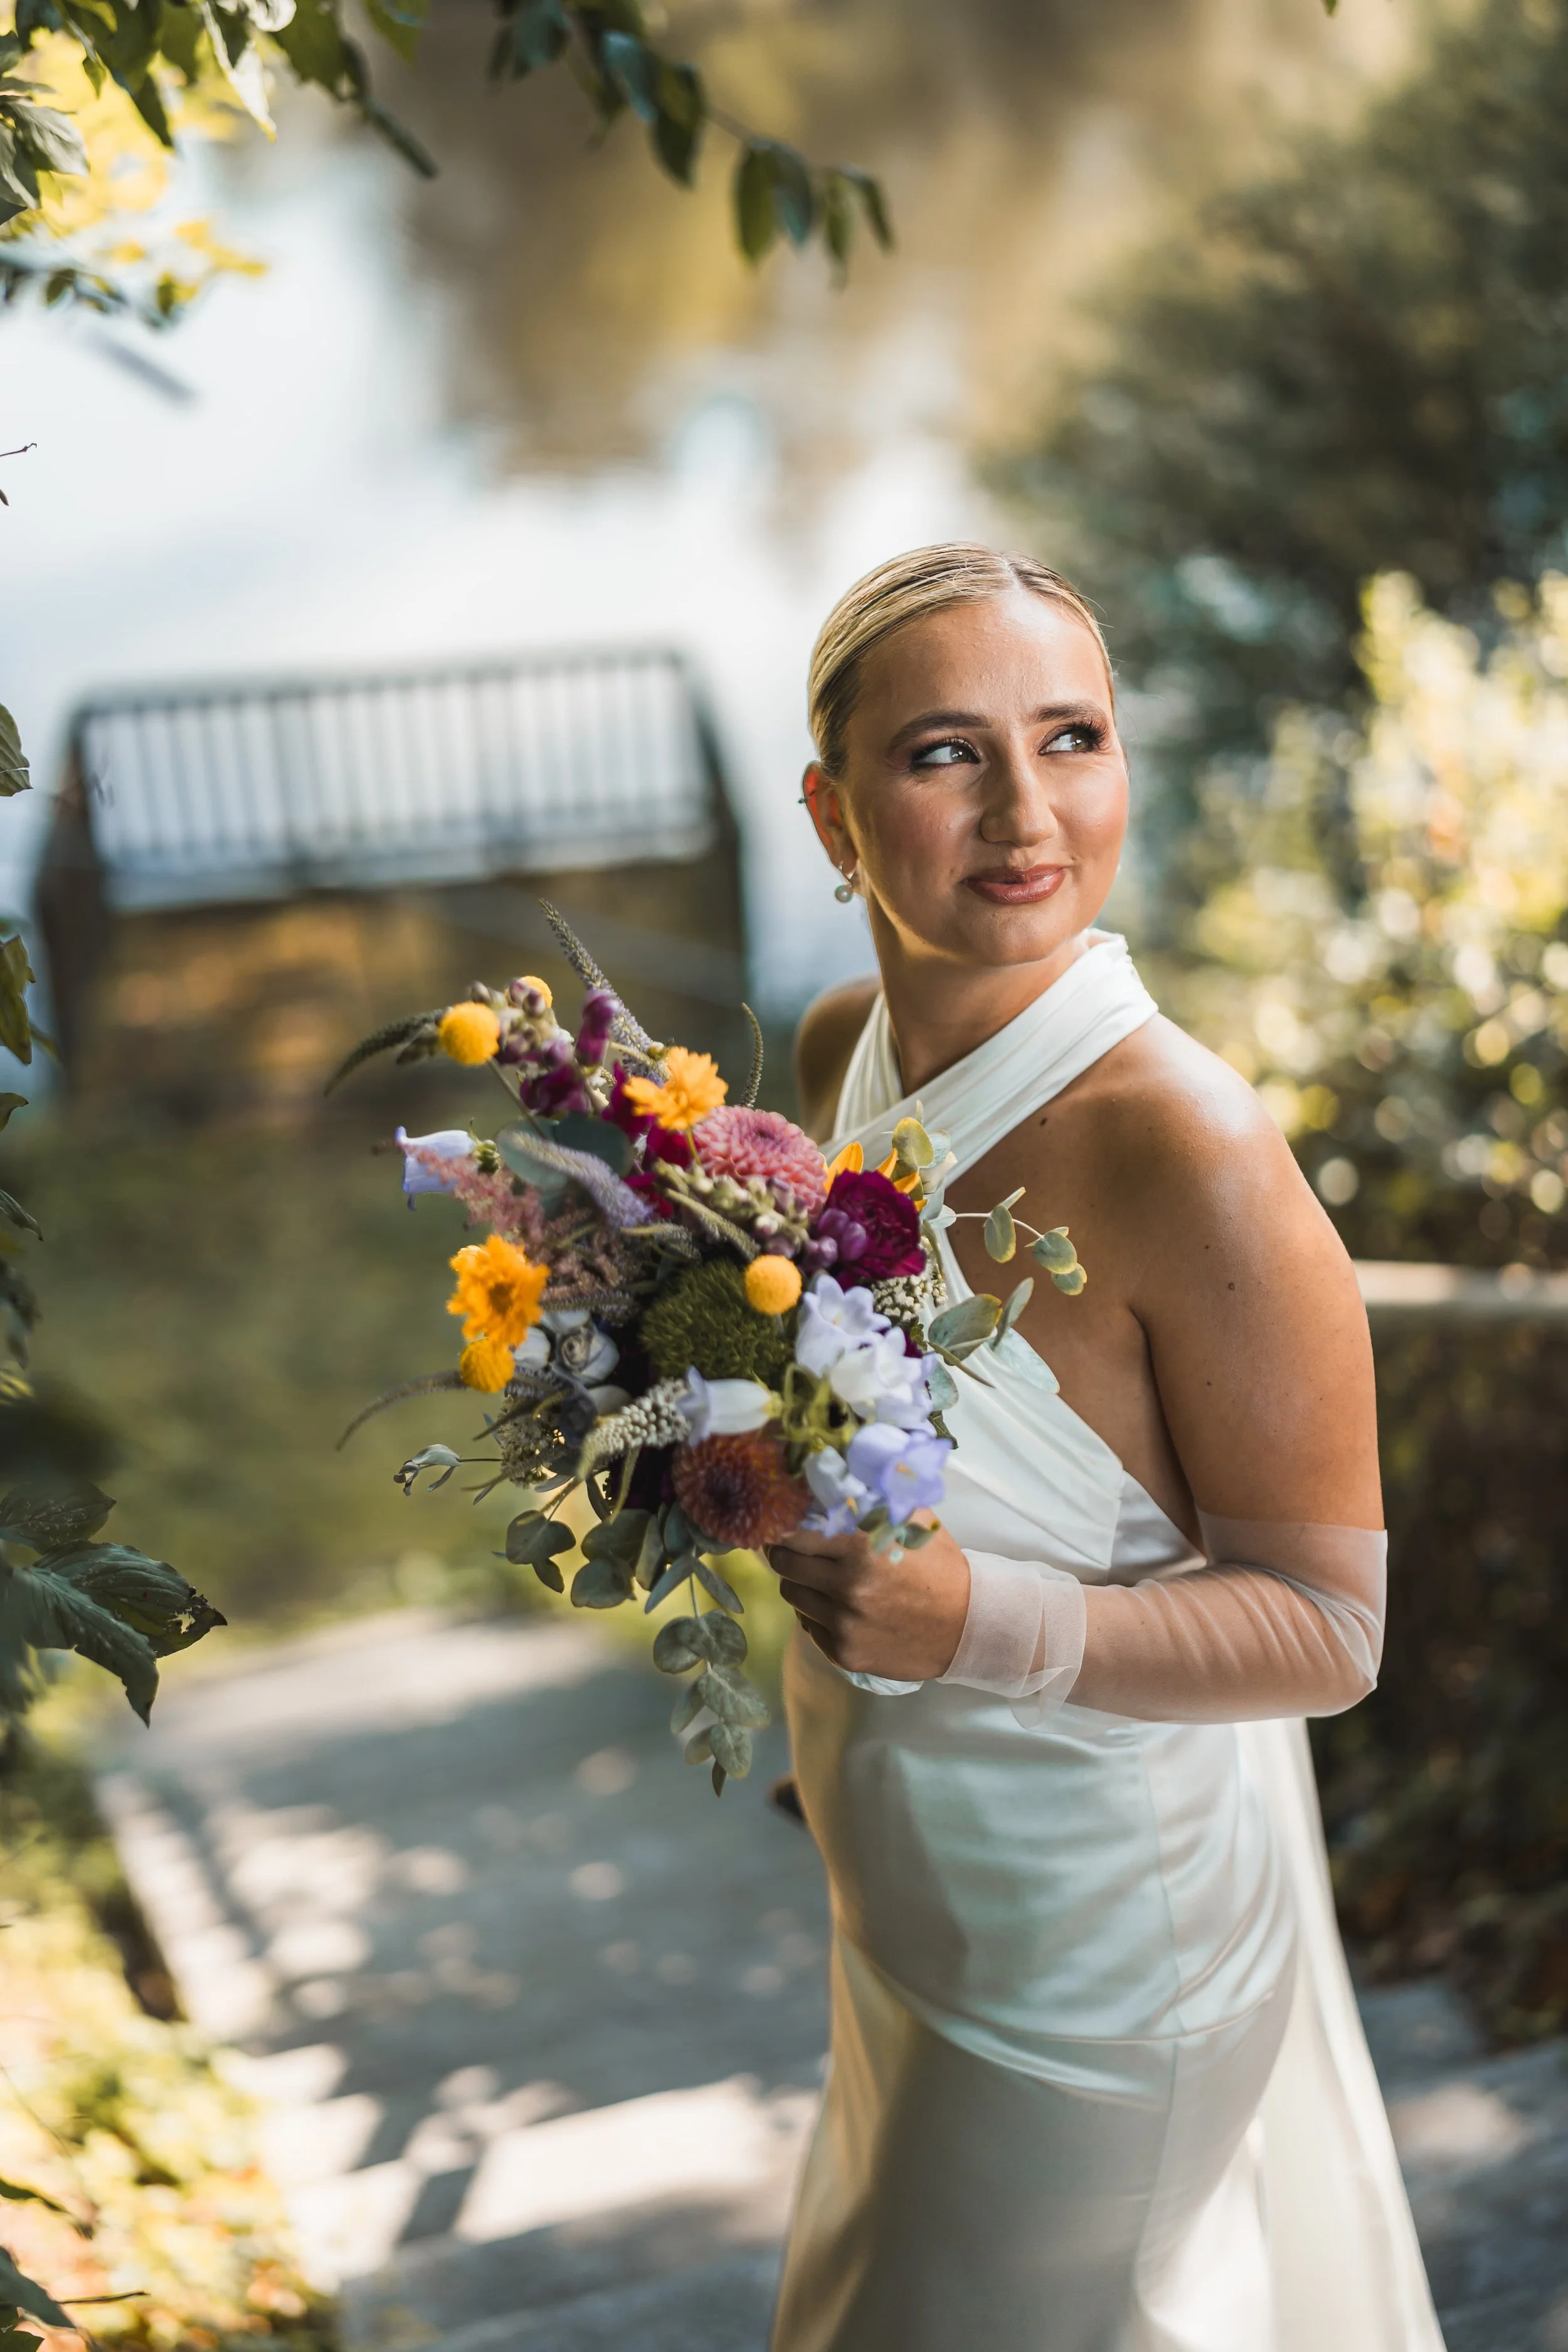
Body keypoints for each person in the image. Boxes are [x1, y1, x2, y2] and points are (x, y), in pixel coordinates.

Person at [765, 544, 1446, 2352]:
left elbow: (1328, 1628)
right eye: (942, 754)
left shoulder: (1188, 1151)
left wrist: (967, 1624)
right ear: (831, 818)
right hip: (909, 1891)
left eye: (1069, 736)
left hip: (1099, 1957)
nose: (1022, 810)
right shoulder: (838, 1051)